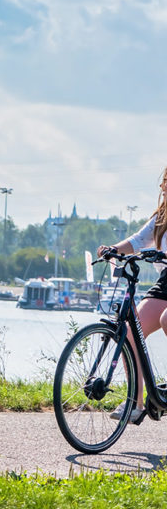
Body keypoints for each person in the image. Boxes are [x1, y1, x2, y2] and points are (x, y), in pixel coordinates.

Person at [97, 166, 167, 423]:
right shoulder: (161, 217)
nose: (164, 186)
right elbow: (137, 241)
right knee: (129, 332)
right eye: (165, 181)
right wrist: (112, 249)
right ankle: (135, 403)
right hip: (166, 279)